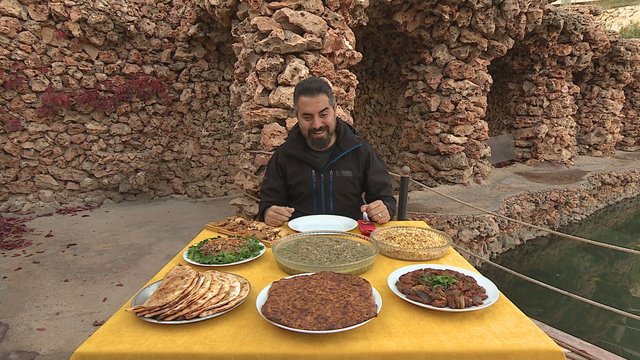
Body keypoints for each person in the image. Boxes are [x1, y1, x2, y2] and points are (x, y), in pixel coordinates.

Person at [258, 76, 396, 227]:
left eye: (324, 114)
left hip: (352, 239)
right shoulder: (283, 156)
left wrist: (384, 209)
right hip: (298, 241)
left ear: (335, 109)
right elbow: (268, 204)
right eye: (307, 117)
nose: (317, 124)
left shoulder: (360, 151)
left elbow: (385, 199)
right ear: (297, 116)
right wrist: (268, 213)